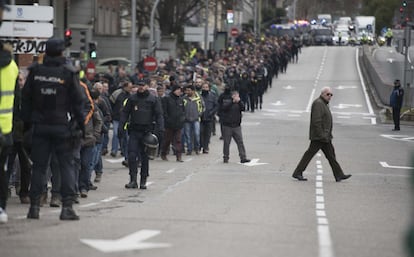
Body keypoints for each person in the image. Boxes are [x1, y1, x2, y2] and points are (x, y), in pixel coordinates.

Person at [21, 38, 87, 220]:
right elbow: (78, 102)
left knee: (39, 168)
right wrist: (80, 126)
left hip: (39, 126)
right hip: (61, 126)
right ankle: (66, 207)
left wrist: (27, 127)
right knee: (66, 166)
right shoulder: (67, 72)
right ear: (61, 52)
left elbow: (25, 100)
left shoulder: (35, 72)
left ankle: (34, 207)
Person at [292, 87, 351, 182]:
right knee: (310, 154)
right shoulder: (319, 103)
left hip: (325, 137)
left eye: (331, 95)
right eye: (328, 94)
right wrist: (321, 135)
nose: (330, 96)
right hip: (319, 137)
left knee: (331, 155)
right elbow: (316, 121)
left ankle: (339, 174)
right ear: (323, 94)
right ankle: (298, 172)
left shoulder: (323, 104)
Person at [118, 79, 164, 189]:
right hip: (134, 131)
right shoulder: (132, 99)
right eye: (140, 85)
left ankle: (143, 180)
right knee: (132, 156)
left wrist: (161, 128)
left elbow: (159, 115)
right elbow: (125, 113)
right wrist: (121, 127)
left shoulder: (153, 99)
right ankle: (133, 180)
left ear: (147, 86)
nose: (141, 88)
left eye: (143, 85)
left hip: (147, 132)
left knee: (145, 158)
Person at [0, 0, 19, 223]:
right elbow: (19, 101)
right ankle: (1, 207)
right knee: (2, 171)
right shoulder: (12, 66)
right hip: (5, 129)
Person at [218, 87, 250, 164]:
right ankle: (226, 157)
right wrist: (232, 102)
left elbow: (243, 108)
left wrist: (239, 102)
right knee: (226, 143)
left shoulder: (239, 103)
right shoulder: (227, 102)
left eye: (237, 96)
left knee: (240, 142)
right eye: (235, 96)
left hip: (236, 126)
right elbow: (224, 108)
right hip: (227, 125)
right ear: (232, 96)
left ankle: (243, 157)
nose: (237, 97)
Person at [160, 84, 185, 162]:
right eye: (177, 90)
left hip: (178, 124)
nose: (179, 92)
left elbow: (183, 111)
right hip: (169, 124)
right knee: (167, 140)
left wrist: (182, 119)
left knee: (178, 140)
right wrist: (167, 120)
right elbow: (164, 111)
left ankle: (179, 156)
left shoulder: (181, 100)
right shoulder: (166, 99)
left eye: (180, 90)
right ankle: (163, 153)